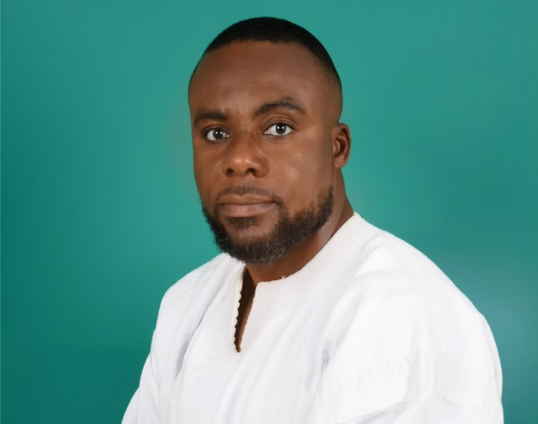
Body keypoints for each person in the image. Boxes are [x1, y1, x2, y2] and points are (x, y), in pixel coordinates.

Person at [123, 17, 503, 424]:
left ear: (337, 148)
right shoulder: (186, 303)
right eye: (216, 133)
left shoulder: (403, 318)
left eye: (278, 128)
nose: (239, 160)